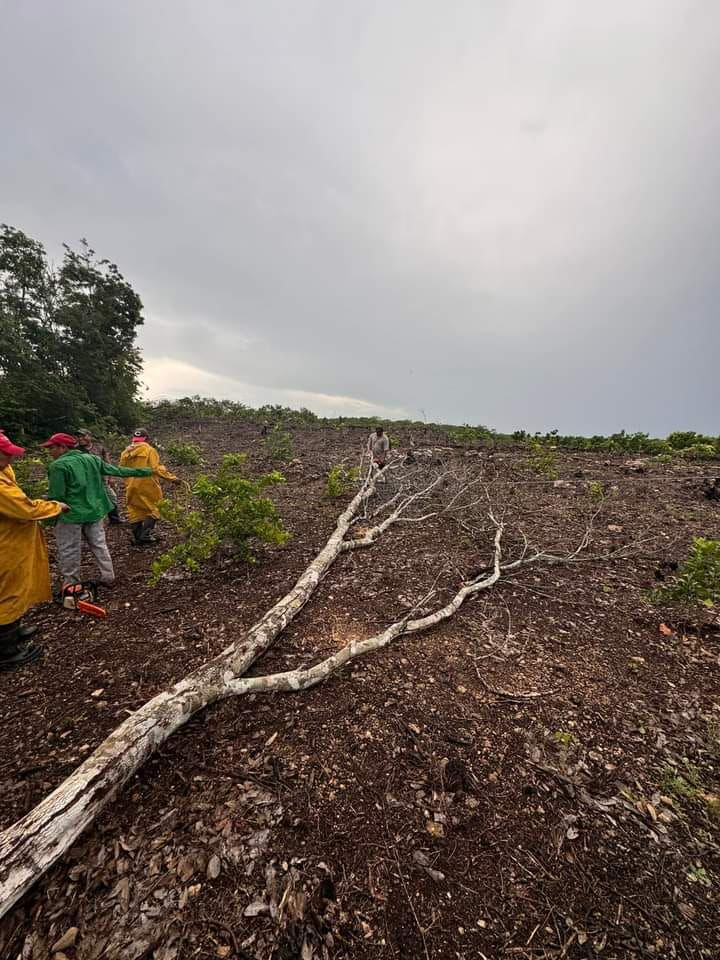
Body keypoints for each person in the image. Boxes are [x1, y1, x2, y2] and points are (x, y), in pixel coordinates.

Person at [42, 432, 152, 589]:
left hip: (70, 515)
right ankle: (108, 576)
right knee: (99, 544)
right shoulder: (92, 459)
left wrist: (48, 519)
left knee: (69, 549)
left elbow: (56, 496)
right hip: (94, 510)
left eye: (51, 448)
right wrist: (147, 471)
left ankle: (72, 584)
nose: (49, 451)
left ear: (62, 447)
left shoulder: (58, 466)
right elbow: (117, 471)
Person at [0, 434, 69, 670]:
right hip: (5, 546)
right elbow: (25, 508)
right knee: (7, 593)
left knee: (16, 587)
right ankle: (6, 651)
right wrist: (55, 507)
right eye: (5, 452)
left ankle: (15, 630)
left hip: (13, 542)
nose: (10, 456)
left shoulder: (4, 473)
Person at [119, 429, 180, 545]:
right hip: (147, 485)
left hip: (131, 485)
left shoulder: (125, 452)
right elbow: (155, 468)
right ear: (147, 439)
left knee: (135, 510)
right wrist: (173, 478)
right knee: (156, 508)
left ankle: (137, 538)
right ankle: (145, 535)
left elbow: (121, 469)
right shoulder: (149, 450)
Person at [77, 428, 121, 523]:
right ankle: (90, 522)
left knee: (112, 498)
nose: (80, 438)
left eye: (83, 436)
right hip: (86, 481)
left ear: (90, 436)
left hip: (101, 479)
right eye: (79, 436)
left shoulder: (99, 448)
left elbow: (107, 462)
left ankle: (114, 519)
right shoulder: (76, 449)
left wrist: (111, 477)